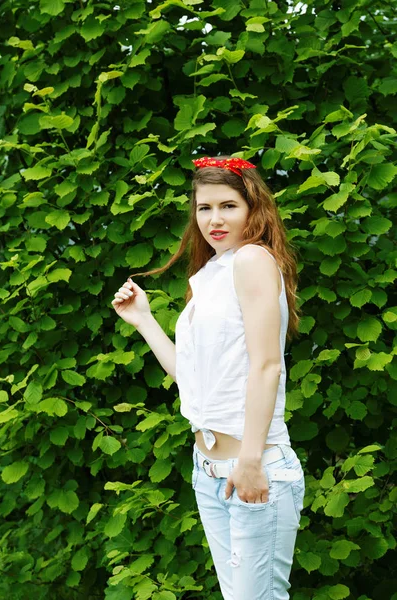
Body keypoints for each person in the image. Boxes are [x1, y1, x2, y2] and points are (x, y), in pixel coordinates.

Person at [111, 156, 305, 600]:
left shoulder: (252, 259)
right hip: (209, 472)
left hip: (254, 467)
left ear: (253, 209)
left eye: (228, 206)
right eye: (203, 208)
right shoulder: (209, 274)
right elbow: (194, 380)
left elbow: (267, 365)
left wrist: (251, 461)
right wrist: (144, 320)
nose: (214, 219)